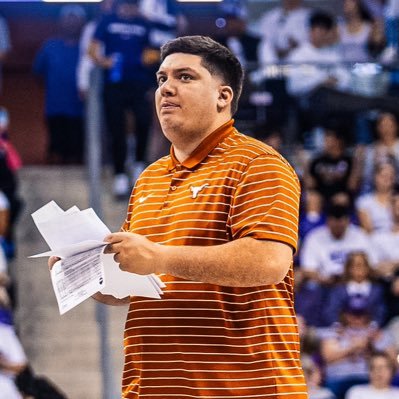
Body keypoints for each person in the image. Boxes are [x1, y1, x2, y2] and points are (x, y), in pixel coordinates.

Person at [50, 35, 307, 398]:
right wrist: (86, 276)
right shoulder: (149, 178)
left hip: (243, 389)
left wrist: (161, 257)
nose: (167, 88)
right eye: (161, 79)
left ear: (223, 96)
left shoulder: (258, 164)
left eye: (185, 77)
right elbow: (134, 284)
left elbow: (269, 261)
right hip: (152, 389)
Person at [88, 0, 159, 198]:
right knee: (116, 128)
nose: (129, 10)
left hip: (139, 83)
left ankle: (138, 164)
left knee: (144, 122)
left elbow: (153, 50)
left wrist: (147, 58)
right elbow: (92, 49)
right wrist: (104, 62)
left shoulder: (144, 24)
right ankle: (119, 174)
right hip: (114, 84)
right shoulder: (107, 21)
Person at [33, 5, 86, 165]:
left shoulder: (86, 47)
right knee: (57, 147)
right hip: (54, 106)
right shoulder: (50, 46)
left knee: (77, 148)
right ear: (61, 22)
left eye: (75, 20)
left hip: (79, 107)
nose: (71, 23)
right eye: (67, 19)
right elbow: (38, 72)